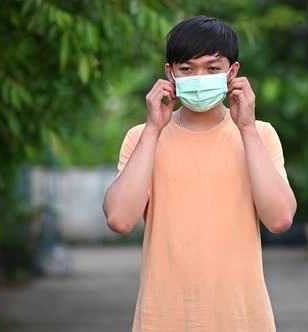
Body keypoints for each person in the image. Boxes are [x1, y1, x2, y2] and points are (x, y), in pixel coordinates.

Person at [103, 15, 297, 332]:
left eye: (212, 68)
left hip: (243, 321)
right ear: (170, 74)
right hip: (162, 321)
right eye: (187, 69)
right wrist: (153, 129)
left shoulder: (260, 136)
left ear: (233, 72)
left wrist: (246, 128)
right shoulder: (142, 138)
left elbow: (280, 219)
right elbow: (120, 220)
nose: (200, 77)